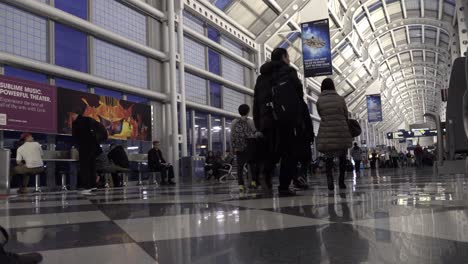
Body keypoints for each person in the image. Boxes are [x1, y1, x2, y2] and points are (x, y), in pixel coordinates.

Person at [253, 48, 307, 195]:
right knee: (288, 153)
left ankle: (265, 174)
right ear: (283, 57)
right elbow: (299, 95)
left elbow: (256, 102)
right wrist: (299, 119)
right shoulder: (288, 72)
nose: (289, 59)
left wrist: (259, 123)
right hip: (286, 119)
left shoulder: (261, 77)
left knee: (271, 151)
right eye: (288, 56)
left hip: (267, 120)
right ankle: (283, 187)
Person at [316, 78, 353, 191]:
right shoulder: (340, 99)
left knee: (329, 158)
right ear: (333, 86)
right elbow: (345, 114)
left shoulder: (319, 100)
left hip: (327, 132)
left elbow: (320, 114)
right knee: (342, 157)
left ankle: (330, 181)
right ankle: (341, 181)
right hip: (341, 131)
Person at [72, 107, 108, 194]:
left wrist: (77, 146)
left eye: (72, 115)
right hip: (93, 147)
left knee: (85, 167)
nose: (72, 117)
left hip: (85, 147)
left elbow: (75, 137)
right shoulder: (88, 119)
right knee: (92, 166)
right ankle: (93, 186)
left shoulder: (77, 122)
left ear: (75, 114)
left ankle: (86, 187)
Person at [230, 104, 257, 192]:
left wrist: (232, 147)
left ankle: (241, 185)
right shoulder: (250, 121)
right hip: (249, 146)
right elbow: (255, 134)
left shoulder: (234, 122)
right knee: (252, 164)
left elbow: (231, 136)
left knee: (240, 167)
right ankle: (253, 182)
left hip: (239, 147)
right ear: (248, 111)